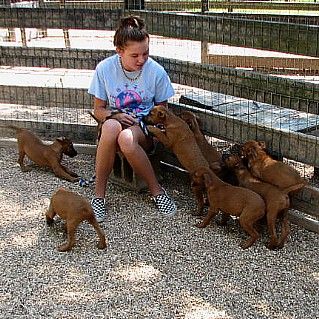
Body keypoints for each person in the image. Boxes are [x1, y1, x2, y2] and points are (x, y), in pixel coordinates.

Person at [88, 15, 177, 222]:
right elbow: (98, 110)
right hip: (115, 123)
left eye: (145, 53)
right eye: (135, 55)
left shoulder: (156, 71)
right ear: (119, 51)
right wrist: (115, 114)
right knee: (111, 127)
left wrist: (146, 125)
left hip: (143, 128)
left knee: (126, 139)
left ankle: (157, 192)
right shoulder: (104, 69)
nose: (141, 60)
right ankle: (98, 196)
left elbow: (162, 112)